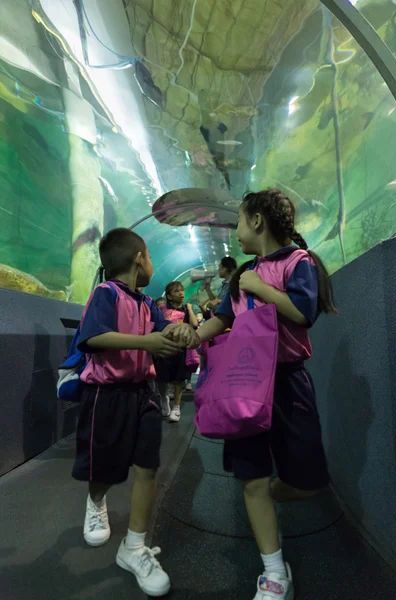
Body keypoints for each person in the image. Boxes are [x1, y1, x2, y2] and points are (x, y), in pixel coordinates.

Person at [169, 189, 335, 600]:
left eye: (240, 221)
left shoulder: (299, 264)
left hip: (288, 382)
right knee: (251, 477)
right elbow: (221, 319)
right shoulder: (242, 274)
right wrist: (191, 334)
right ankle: (275, 571)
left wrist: (260, 286)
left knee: (307, 479)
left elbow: (302, 313)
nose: (237, 231)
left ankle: (274, 492)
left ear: (257, 221)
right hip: (244, 382)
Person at [71, 228, 195, 597]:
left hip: (143, 394)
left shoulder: (147, 304)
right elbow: (92, 338)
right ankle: (96, 502)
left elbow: (164, 330)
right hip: (106, 395)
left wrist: (184, 333)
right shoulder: (105, 293)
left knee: (147, 466)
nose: (152, 264)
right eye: (151, 257)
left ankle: (135, 546)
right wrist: (148, 342)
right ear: (140, 258)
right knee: (104, 467)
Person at [154, 281, 198, 422]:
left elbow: (194, 325)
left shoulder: (186, 310)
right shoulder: (161, 309)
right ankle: (163, 398)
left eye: (182, 290)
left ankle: (176, 408)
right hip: (164, 348)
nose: (181, 293)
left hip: (180, 350)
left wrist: (190, 309)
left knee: (178, 379)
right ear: (169, 296)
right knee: (162, 378)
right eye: (176, 291)